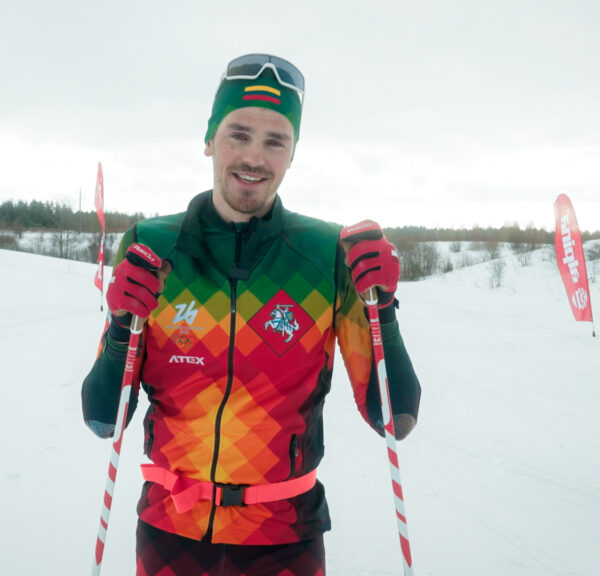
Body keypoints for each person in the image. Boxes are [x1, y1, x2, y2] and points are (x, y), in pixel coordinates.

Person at [82, 53, 421, 575]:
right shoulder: (153, 246)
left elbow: (394, 417)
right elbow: (103, 417)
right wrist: (123, 324)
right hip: (172, 532)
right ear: (209, 139)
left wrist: (384, 309)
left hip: (284, 535)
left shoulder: (329, 254)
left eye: (275, 141)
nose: (254, 157)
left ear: (292, 154)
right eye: (238, 134)